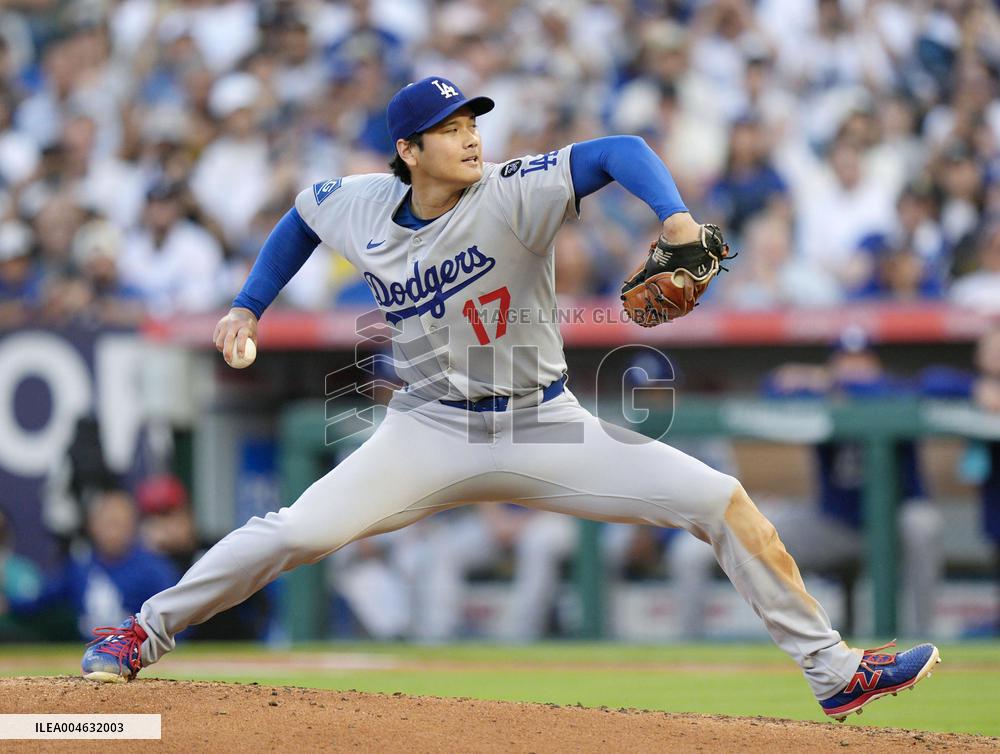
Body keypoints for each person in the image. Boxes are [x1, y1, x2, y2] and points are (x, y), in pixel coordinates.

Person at [82, 75, 938, 721]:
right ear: (408, 152)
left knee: (720, 499)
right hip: (426, 429)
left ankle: (834, 673)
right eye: (446, 131)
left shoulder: (514, 192)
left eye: (470, 124)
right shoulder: (367, 206)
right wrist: (248, 304)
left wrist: (675, 219)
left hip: (545, 424)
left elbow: (617, 150)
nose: (468, 139)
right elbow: (302, 216)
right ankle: (139, 634)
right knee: (297, 531)